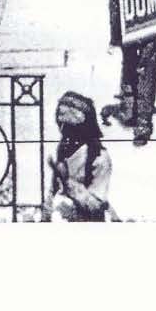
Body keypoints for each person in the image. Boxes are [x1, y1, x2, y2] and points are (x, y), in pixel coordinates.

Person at [49, 91, 114, 221]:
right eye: (60, 126)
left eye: (68, 128)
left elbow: (96, 206)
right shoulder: (63, 152)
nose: (63, 133)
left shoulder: (99, 158)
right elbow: (53, 193)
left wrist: (67, 181)